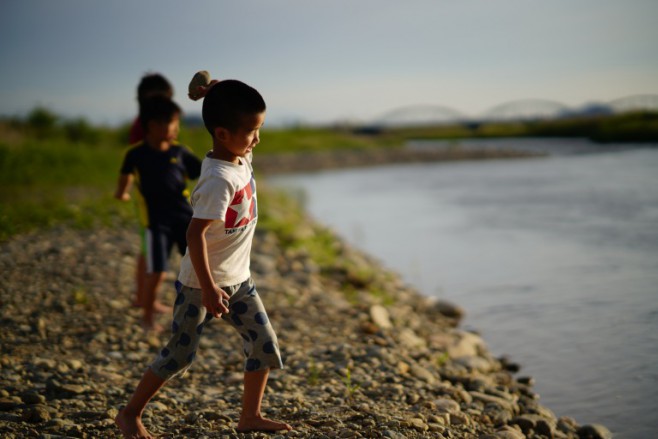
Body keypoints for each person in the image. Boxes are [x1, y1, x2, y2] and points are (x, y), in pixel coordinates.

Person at [115, 79, 292, 438]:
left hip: (240, 281)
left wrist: (215, 88)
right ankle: (129, 413)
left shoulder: (241, 155)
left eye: (260, 130)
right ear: (223, 134)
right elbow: (194, 235)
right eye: (252, 132)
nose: (257, 139)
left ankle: (250, 416)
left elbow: (233, 105)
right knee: (179, 355)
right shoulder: (217, 180)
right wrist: (210, 289)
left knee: (264, 344)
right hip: (201, 285)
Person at [114, 95, 202, 332]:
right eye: (172, 124)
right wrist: (122, 192)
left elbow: (205, 172)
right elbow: (126, 174)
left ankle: (202, 308)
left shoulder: (181, 152)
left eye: (177, 124)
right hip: (156, 222)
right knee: (158, 270)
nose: (176, 129)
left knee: (198, 262)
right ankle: (147, 315)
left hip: (185, 218)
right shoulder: (136, 154)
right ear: (152, 125)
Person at [128, 73, 175, 312]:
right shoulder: (143, 126)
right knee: (152, 250)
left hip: (158, 195)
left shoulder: (156, 122)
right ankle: (146, 300)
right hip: (149, 197)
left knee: (147, 249)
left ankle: (142, 297)